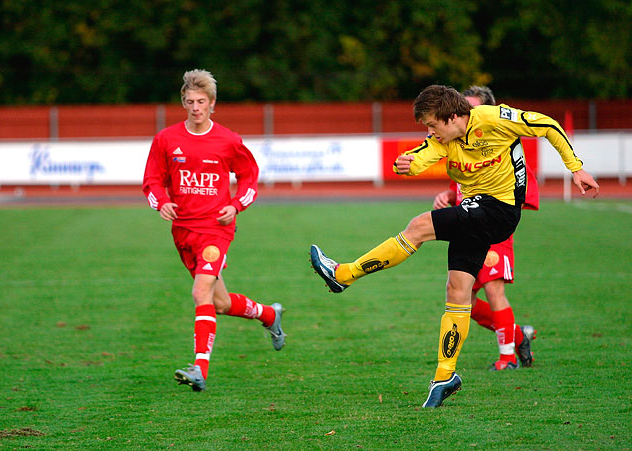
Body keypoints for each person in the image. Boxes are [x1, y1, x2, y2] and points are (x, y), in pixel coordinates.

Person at [310, 85, 598, 408]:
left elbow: (547, 125)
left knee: (420, 225)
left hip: (499, 210)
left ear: (452, 116)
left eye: (433, 124)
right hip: (475, 210)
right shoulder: (443, 140)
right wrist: (406, 163)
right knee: (457, 291)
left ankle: (343, 274)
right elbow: (423, 156)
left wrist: (576, 168)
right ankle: (445, 376)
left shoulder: (493, 119)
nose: (430, 132)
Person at [143, 69, 285, 392]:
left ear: (212, 104)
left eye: (201, 102)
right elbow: (152, 180)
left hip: (216, 229)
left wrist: (235, 206)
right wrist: (161, 202)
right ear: (184, 102)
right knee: (217, 301)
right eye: (190, 101)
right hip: (183, 231)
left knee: (199, 292)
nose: (195, 107)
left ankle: (199, 368)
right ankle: (267, 315)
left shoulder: (228, 140)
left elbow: (250, 177)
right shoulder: (166, 140)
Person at [432, 85, 537, 371]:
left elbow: (513, 185)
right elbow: (466, 185)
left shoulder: (498, 139)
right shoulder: (462, 142)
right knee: (460, 295)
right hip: (468, 223)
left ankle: (507, 358)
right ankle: (518, 334)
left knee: (494, 288)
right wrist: (449, 196)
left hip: (493, 226)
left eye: (471, 108)